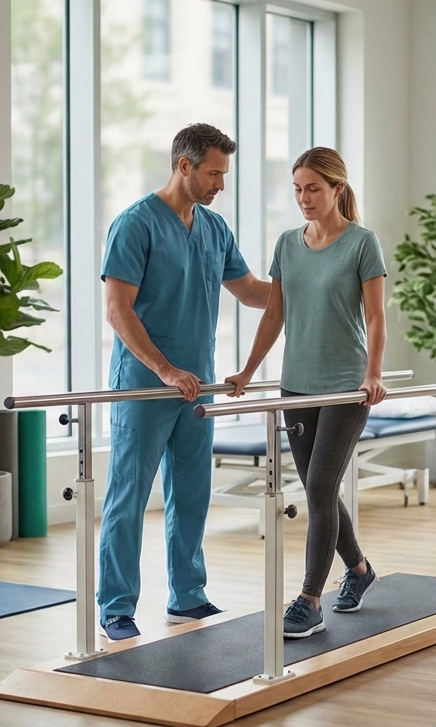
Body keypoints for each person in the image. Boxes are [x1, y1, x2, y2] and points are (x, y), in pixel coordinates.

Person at [98, 123, 272, 641]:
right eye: (214, 173)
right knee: (128, 497)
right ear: (184, 166)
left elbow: (251, 293)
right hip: (146, 386)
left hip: (198, 388)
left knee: (192, 493)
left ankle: (188, 596)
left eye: (224, 173)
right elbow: (116, 310)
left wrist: (314, 282)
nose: (221, 183)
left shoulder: (215, 229)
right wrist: (165, 369)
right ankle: (116, 607)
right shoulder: (135, 224)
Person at [226, 146, 387, 638]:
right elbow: (275, 314)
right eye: (297, 189)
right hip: (296, 385)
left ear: (338, 189)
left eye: (313, 189)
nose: (304, 198)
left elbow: (377, 317)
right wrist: (250, 370)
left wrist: (373, 374)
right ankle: (359, 571)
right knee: (322, 489)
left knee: (318, 488)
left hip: (345, 387)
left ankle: (310, 600)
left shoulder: (362, 243)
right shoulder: (286, 244)